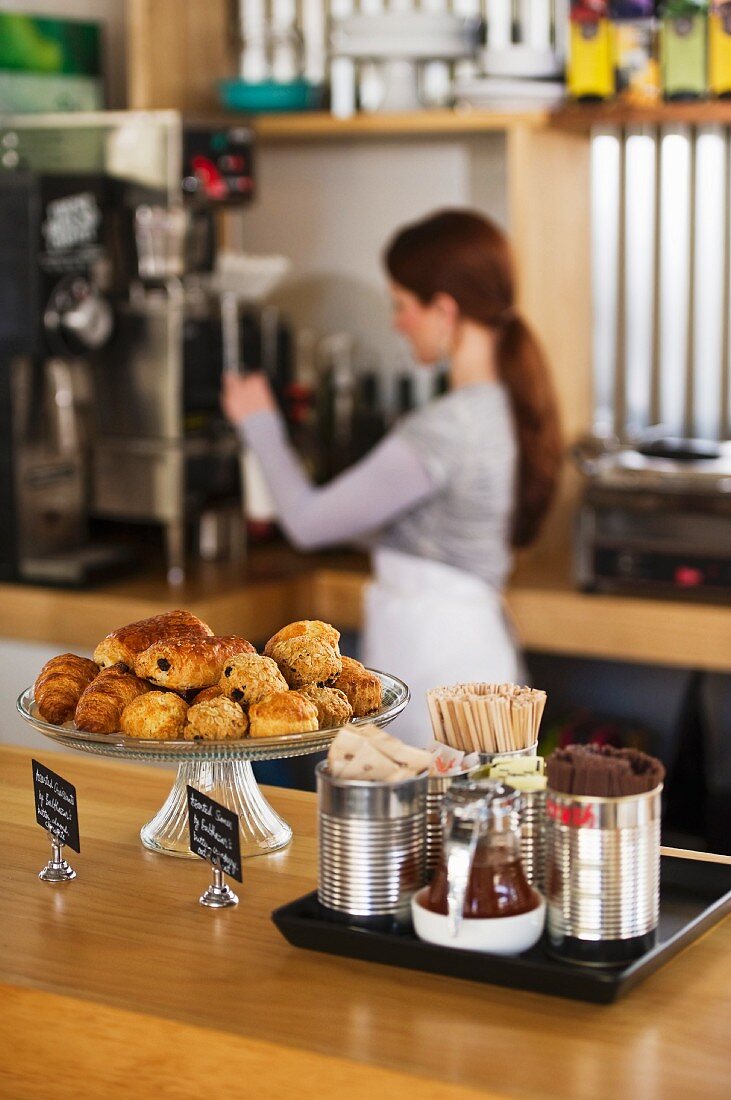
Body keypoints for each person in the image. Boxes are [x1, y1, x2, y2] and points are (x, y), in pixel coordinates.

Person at [221, 209, 563, 747]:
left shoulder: (449, 427)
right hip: (468, 656)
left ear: (444, 310)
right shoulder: (498, 409)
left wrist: (258, 421)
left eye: (402, 305)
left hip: (437, 666)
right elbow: (410, 526)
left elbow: (307, 523)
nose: (396, 322)